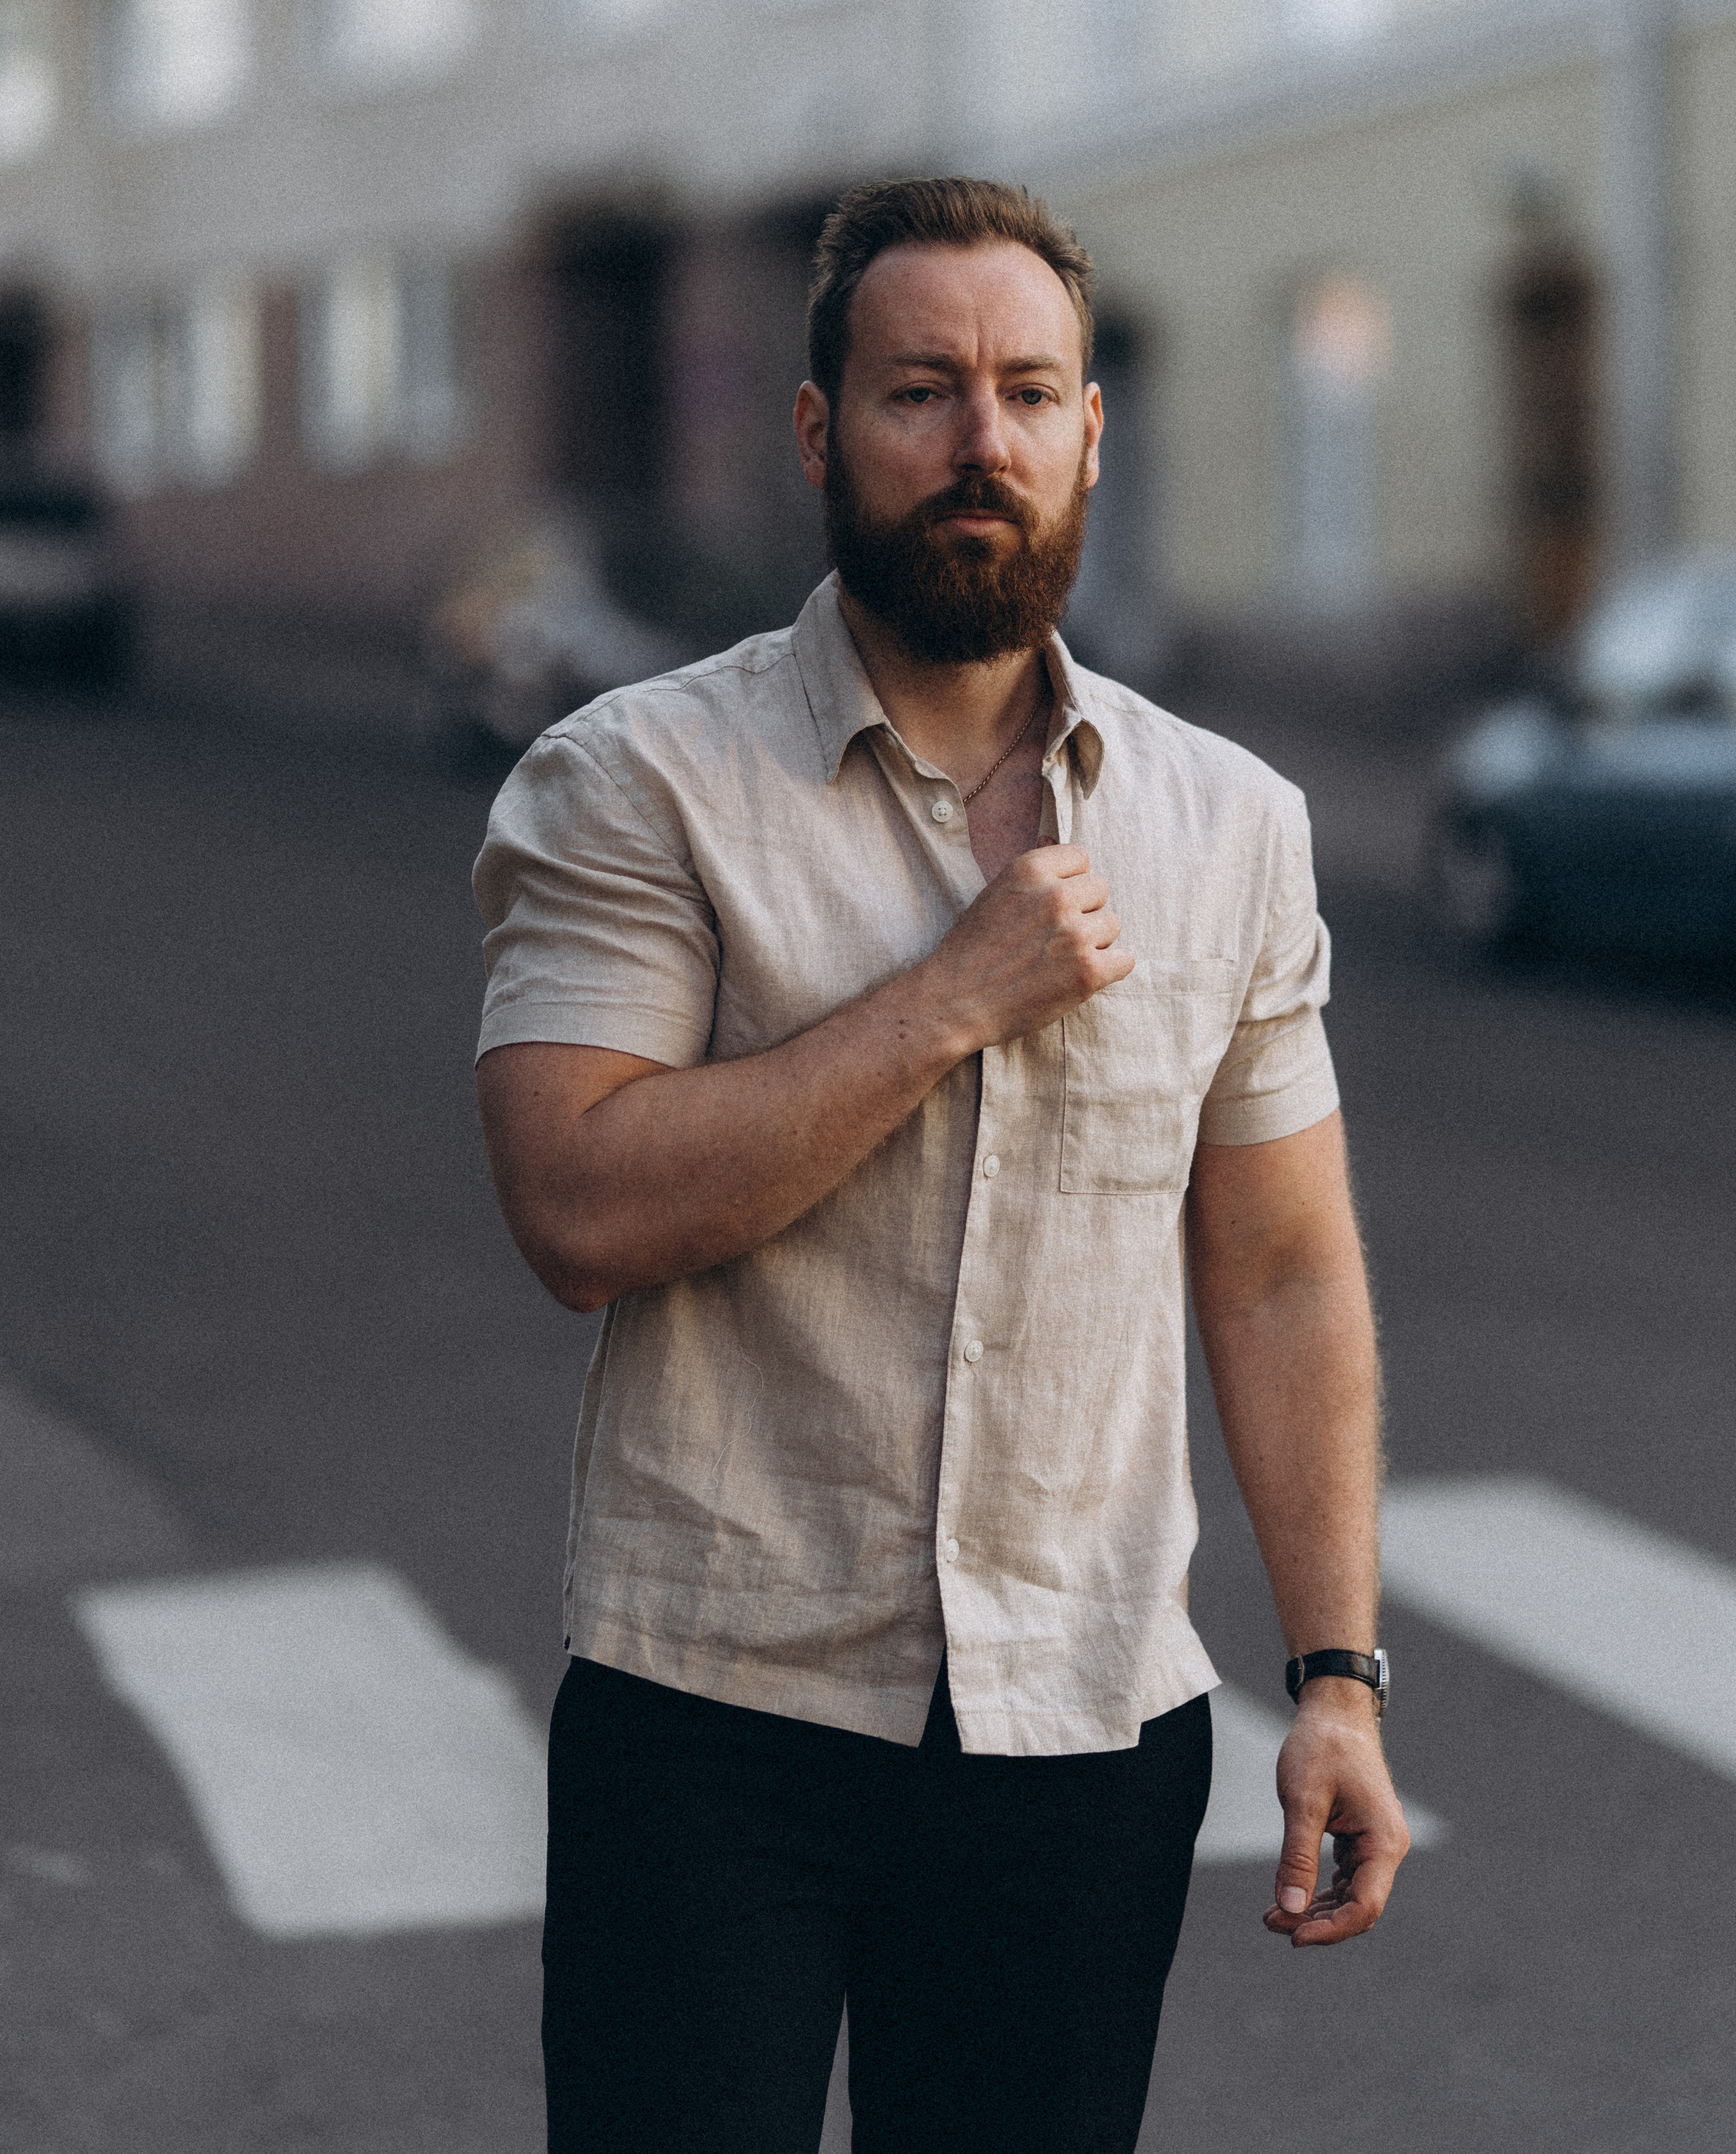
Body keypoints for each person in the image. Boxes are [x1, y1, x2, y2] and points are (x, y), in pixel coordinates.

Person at [474, 177, 1409, 2154]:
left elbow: (1281, 1272)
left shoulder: (1232, 825)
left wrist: (1334, 1677)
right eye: (919, 393)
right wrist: (941, 1002)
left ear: (1088, 431)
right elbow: (577, 1208)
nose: (978, 441)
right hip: (716, 1715)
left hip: (1082, 1734)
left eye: (1025, 392)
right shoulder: (632, 782)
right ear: (819, 433)